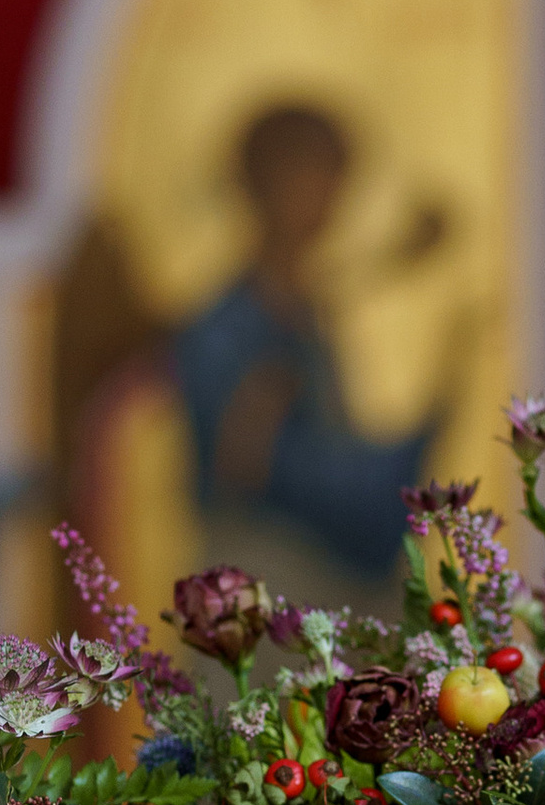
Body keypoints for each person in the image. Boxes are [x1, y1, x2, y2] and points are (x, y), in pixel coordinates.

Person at [168, 97, 446, 602]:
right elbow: (246, 468)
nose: (330, 199)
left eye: (337, 179)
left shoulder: (307, 311)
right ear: (264, 184)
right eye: (313, 176)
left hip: (325, 581)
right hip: (261, 581)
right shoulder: (223, 327)